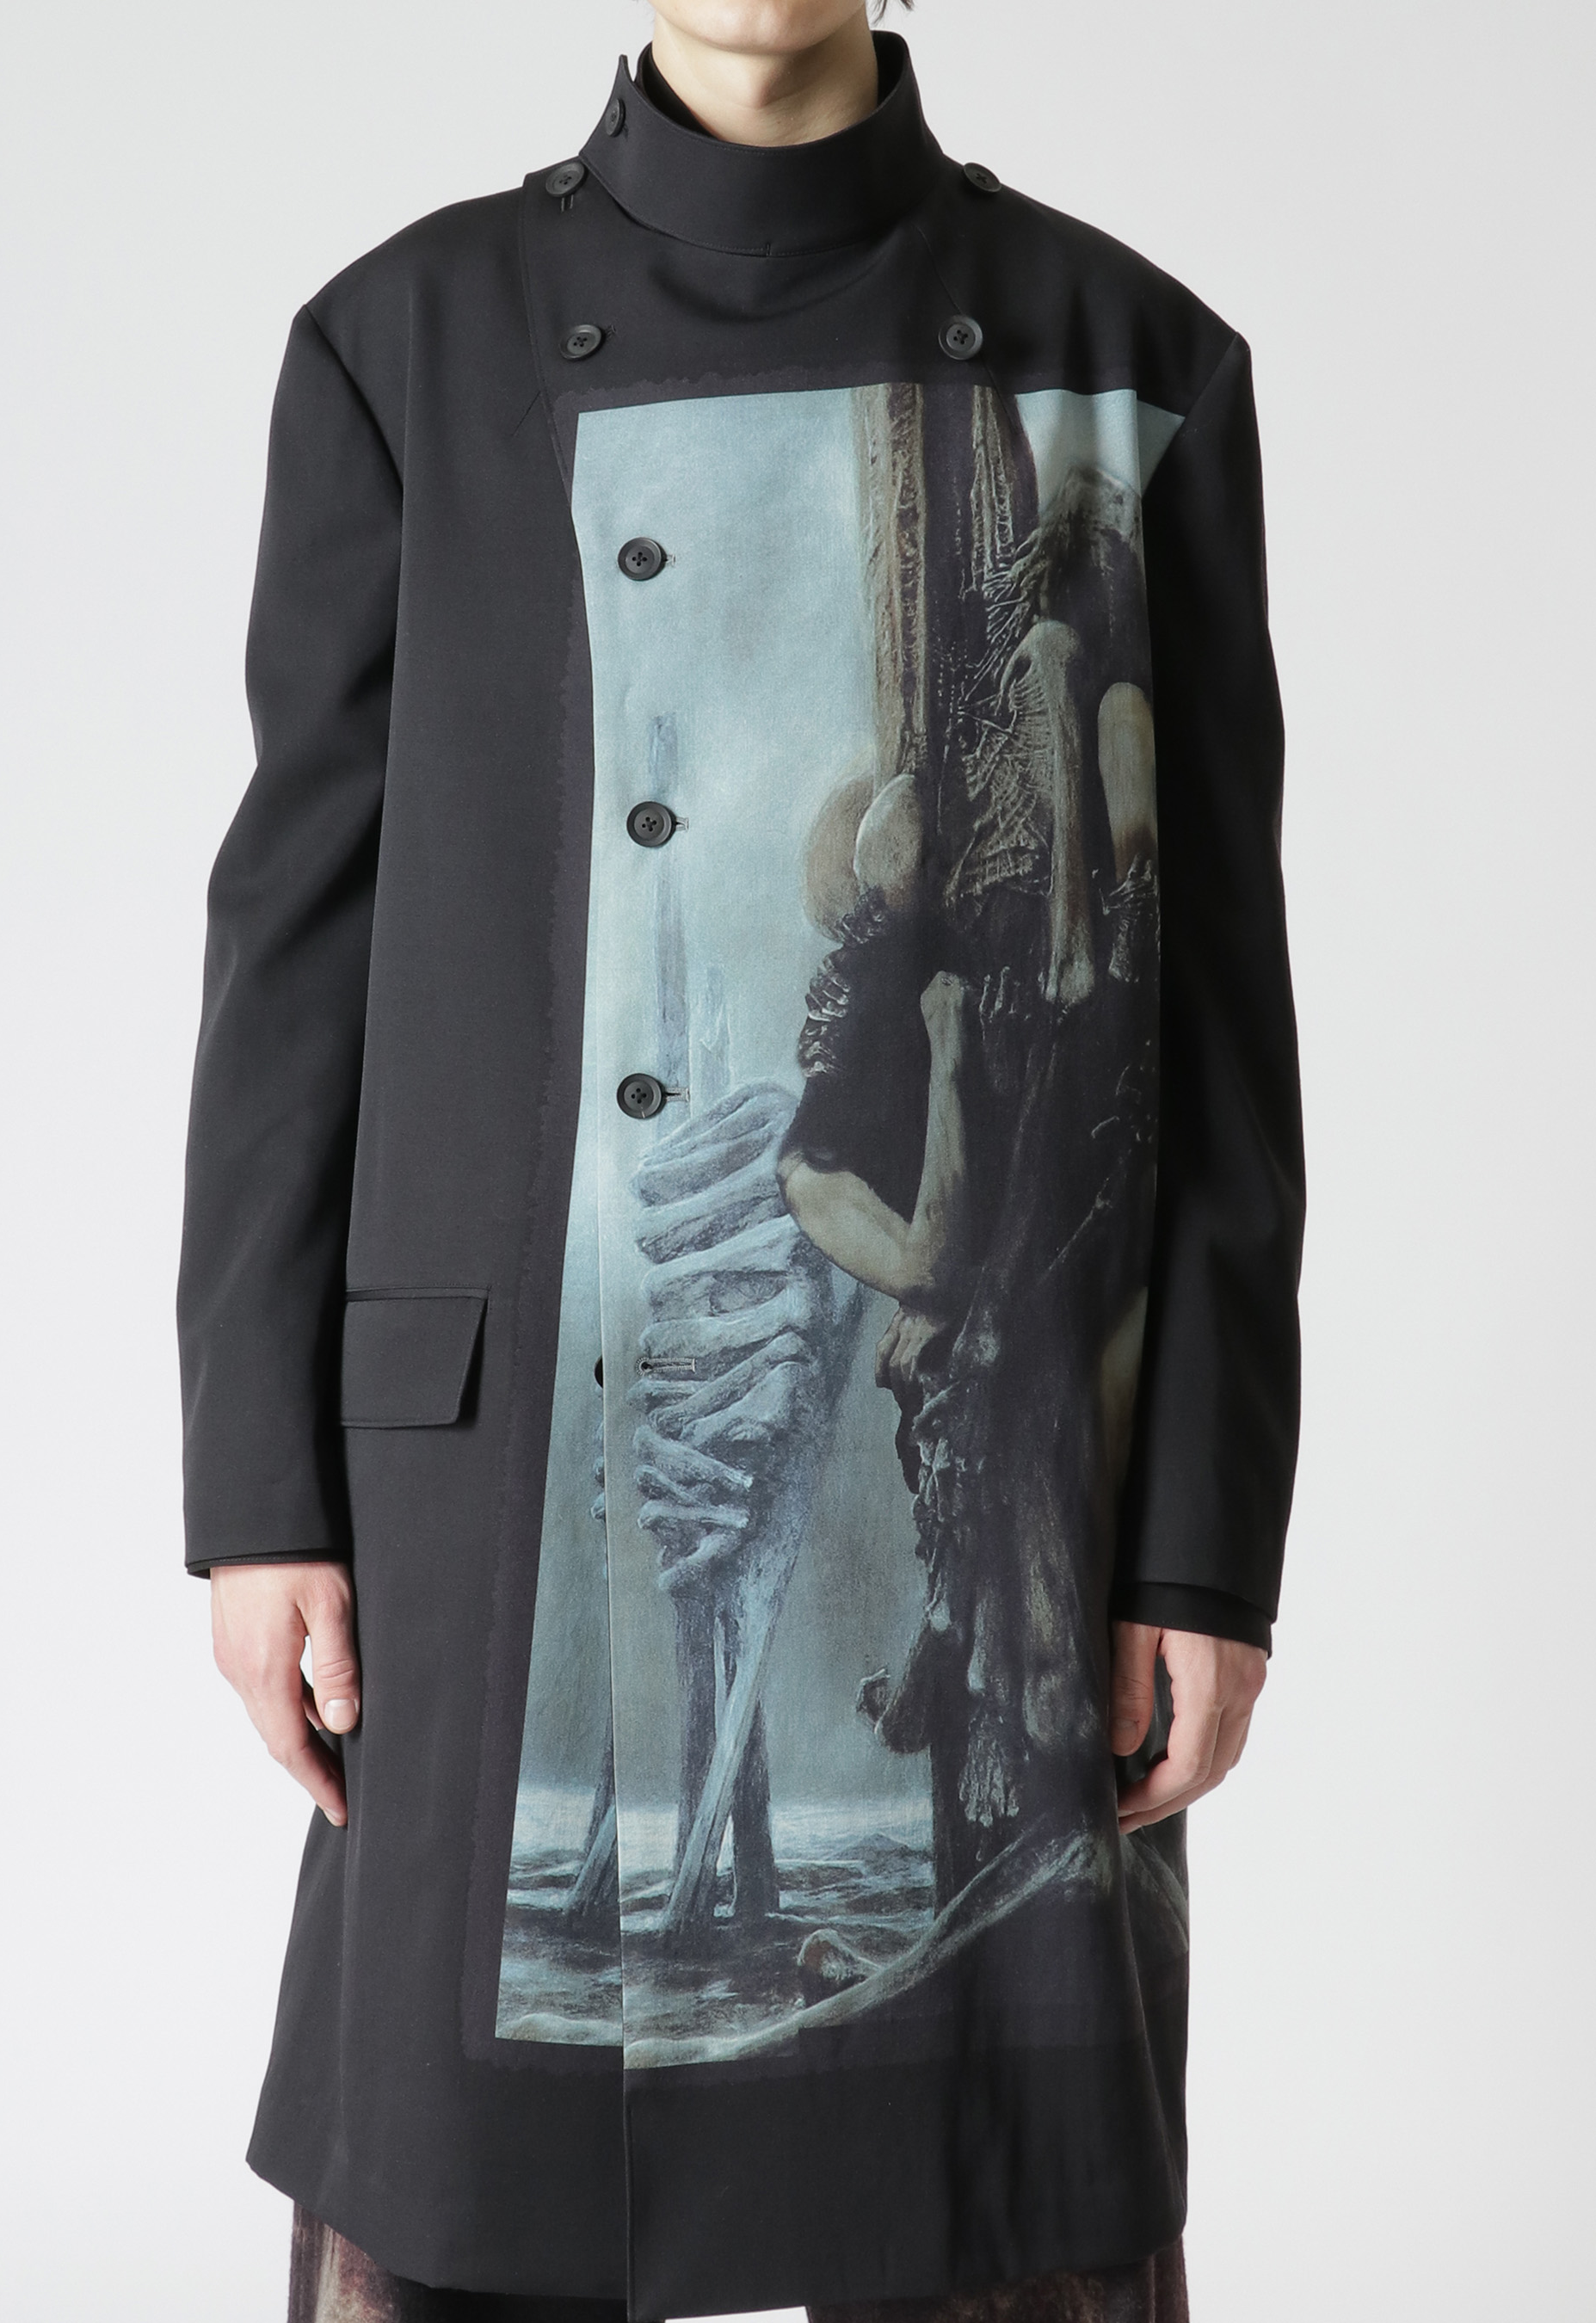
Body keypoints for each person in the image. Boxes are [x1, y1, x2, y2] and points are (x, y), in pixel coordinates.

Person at [182, 4, 1303, 2320]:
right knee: (459, 2213)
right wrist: (259, 1489)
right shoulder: (403, 346)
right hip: (499, 1493)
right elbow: (295, 950)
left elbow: (1215, 1019)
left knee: (1001, 2223)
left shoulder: (1132, 358)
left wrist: (1202, 1539)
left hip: (1001, 1432)